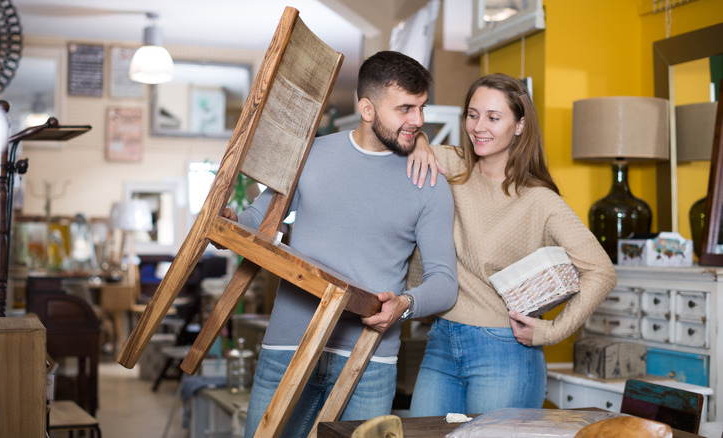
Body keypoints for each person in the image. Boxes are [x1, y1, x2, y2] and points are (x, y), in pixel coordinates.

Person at [229, 51, 458, 438]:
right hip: (288, 346)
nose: (418, 121)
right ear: (367, 109)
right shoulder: (311, 154)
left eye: (420, 107)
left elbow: (444, 283)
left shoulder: (430, 182)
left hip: (369, 360)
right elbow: (260, 218)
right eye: (405, 108)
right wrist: (233, 224)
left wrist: (404, 305)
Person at [407, 73, 616, 416]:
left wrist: (552, 331)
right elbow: (411, 141)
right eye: (472, 115)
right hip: (442, 340)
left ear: (519, 125)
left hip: (505, 351)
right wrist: (419, 142)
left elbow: (601, 271)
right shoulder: (451, 164)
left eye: (493, 117)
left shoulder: (539, 200)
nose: (479, 126)